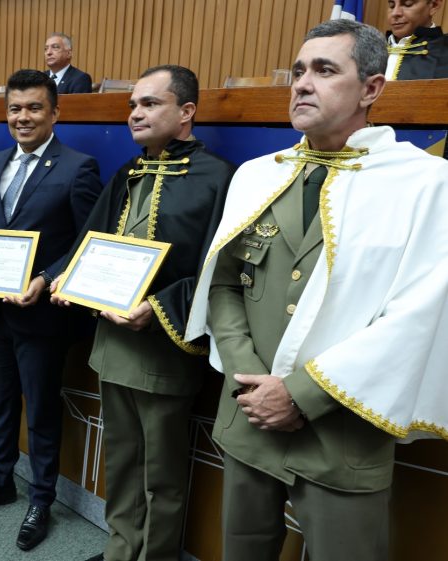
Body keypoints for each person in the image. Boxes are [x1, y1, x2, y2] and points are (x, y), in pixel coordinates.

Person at [186, 19, 448, 561]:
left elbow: (419, 313)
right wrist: (248, 380)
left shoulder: (425, 183)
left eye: (325, 70)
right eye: (300, 70)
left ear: (371, 89)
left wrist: (300, 395)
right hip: (249, 414)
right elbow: (225, 284)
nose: (302, 83)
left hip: (343, 431)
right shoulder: (257, 175)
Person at [50, 65, 234, 561]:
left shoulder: (217, 178)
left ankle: (155, 555)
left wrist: (157, 307)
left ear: (186, 111)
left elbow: (219, 271)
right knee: (123, 458)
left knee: (163, 471)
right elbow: (90, 240)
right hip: (113, 343)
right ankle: (120, 548)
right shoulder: (128, 172)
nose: (136, 113)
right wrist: (65, 276)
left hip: (164, 346)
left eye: (150, 104)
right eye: (133, 105)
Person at [0, 69, 102, 551]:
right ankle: (0, 480)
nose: (23, 117)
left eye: (34, 107)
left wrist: (46, 278)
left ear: (55, 112)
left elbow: (85, 242)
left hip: (41, 316)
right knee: (0, 401)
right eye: (15, 108)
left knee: (41, 411)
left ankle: (42, 497)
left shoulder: (78, 167)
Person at [385, 0, 448, 79]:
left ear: (433, 5)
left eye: (407, 4)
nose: (395, 13)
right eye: (392, 5)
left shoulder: (444, 52)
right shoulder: (374, 46)